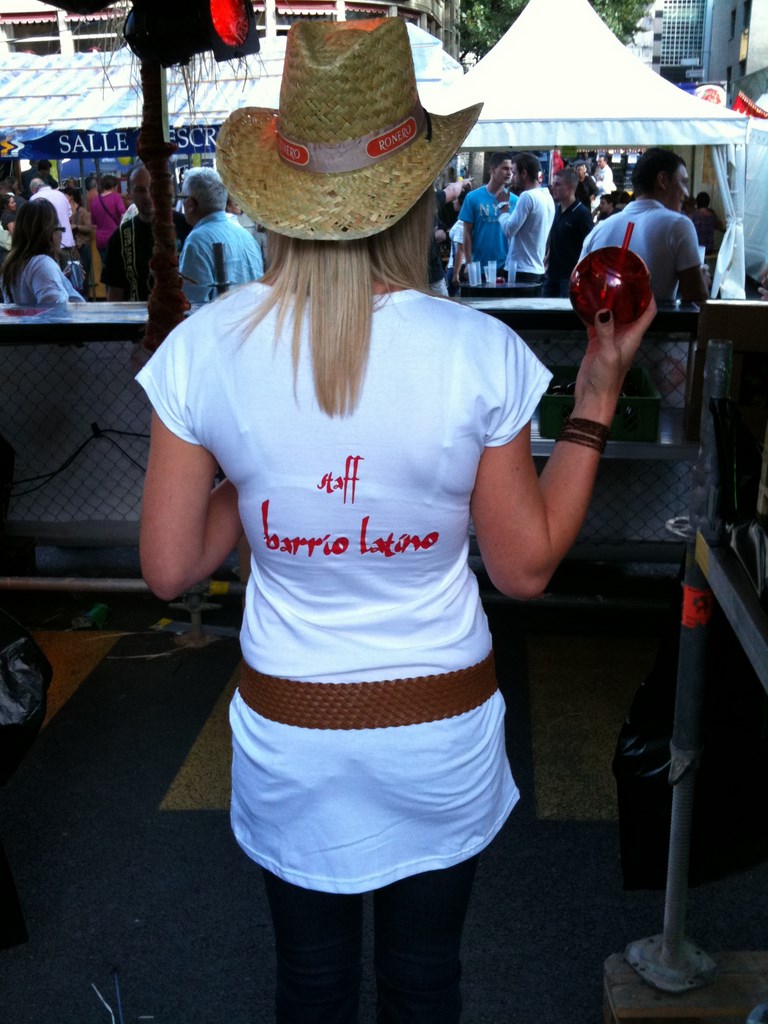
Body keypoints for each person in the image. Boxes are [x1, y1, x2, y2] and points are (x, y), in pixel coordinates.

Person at [137, 18, 656, 1023]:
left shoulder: (205, 349)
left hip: (291, 732)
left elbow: (168, 568)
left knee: (311, 985)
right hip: (438, 731)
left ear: (280, 198)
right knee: (424, 982)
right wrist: (596, 392)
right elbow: (525, 569)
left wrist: (258, 479)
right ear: (417, 195)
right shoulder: (478, 351)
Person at [579, 147, 709, 304]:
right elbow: (697, 301)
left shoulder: (599, 230)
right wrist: (702, 282)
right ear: (662, 180)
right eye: (683, 182)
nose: (686, 193)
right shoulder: (678, 225)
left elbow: (580, 291)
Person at [101, 163, 190, 302]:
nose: (148, 196)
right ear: (129, 193)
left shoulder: (185, 226)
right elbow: (115, 295)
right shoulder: (120, 237)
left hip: (182, 313)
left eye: (153, 187)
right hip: (138, 315)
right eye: (140, 190)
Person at [178, 167, 264, 303]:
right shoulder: (245, 235)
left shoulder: (197, 241)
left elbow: (191, 304)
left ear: (190, 204)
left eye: (182, 197)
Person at [0, 198, 85, 304]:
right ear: (50, 232)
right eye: (60, 229)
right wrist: (51, 274)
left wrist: (60, 278)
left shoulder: (12, 264)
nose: (61, 236)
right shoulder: (42, 264)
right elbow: (55, 308)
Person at [498, 151, 555, 291]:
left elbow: (509, 230)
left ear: (524, 173)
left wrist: (503, 207)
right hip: (537, 269)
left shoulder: (527, 196)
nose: (512, 177)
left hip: (521, 270)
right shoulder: (547, 196)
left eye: (514, 173)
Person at [544, 166, 594, 297]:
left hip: (569, 277)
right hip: (552, 275)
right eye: (553, 184)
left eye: (558, 184)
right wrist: (548, 253)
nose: (553, 188)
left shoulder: (582, 213)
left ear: (570, 187)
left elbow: (590, 245)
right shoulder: (556, 209)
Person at [459, 152, 515, 269]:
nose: (509, 173)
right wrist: (469, 263)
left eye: (511, 169)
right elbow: (467, 232)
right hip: (479, 265)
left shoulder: (515, 200)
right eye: (505, 168)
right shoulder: (473, 197)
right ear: (493, 169)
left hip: (506, 266)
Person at [29, 178, 77, 260]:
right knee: (67, 267)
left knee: (51, 267)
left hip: (47, 245)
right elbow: (70, 215)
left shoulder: (34, 198)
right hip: (66, 241)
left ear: (34, 190)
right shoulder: (61, 195)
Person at [90, 174, 127, 260]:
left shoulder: (95, 200)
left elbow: (94, 223)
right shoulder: (116, 197)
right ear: (114, 186)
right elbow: (124, 215)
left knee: (106, 265)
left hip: (100, 240)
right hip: (114, 238)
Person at [65, 186, 94, 291]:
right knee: (73, 275)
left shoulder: (82, 211)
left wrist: (76, 227)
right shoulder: (67, 213)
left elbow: (89, 228)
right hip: (72, 248)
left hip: (83, 246)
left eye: (65, 196)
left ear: (71, 197)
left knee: (83, 275)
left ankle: (84, 296)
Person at [689, 191, 724, 256]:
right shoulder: (712, 215)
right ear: (708, 202)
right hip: (709, 249)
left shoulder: (693, 214)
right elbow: (720, 226)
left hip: (696, 248)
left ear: (697, 202)